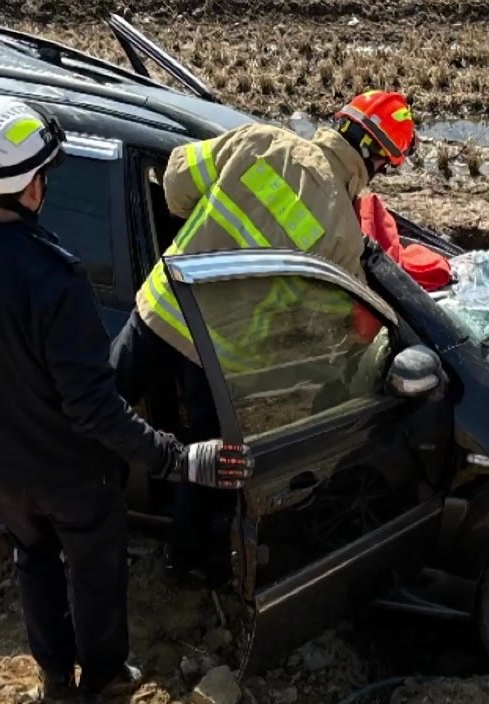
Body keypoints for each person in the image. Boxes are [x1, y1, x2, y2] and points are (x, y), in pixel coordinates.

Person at [0, 96, 254, 704]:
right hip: (72, 470)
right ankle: (105, 677)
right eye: (43, 173)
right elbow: (94, 407)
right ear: (27, 186)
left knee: (31, 558)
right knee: (93, 571)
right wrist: (177, 458)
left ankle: (56, 680)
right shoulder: (53, 275)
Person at [110, 89, 449, 582]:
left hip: (159, 310)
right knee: (205, 465)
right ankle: (183, 562)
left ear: (339, 119)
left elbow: (176, 188)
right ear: (376, 161)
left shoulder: (259, 140)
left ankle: (62, 516)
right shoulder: (342, 232)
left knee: (97, 415)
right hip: (216, 354)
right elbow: (339, 323)